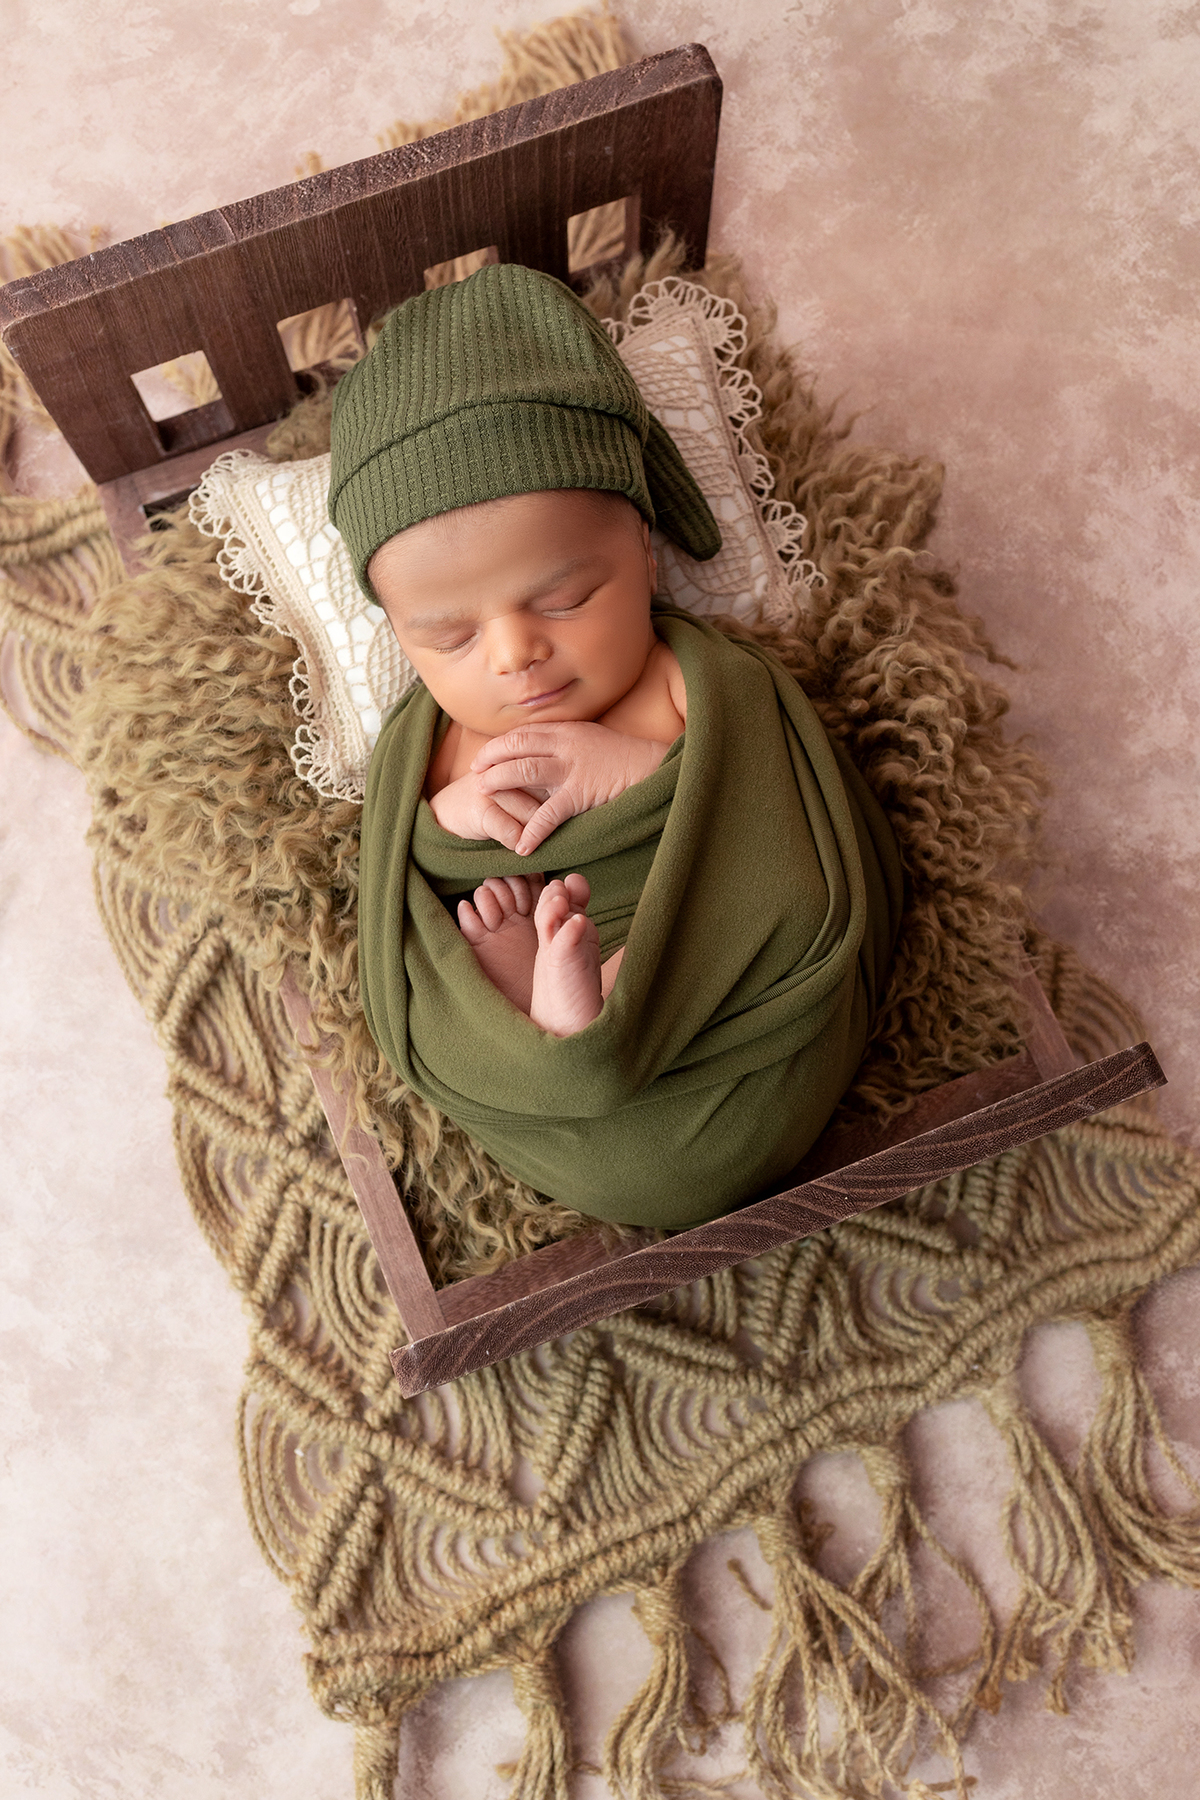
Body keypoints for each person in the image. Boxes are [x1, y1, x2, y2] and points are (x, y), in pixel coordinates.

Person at [329, 263, 904, 1229]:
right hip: (567, 1089)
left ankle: (602, 1002)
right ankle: (555, 1025)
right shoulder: (430, 742)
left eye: (563, 597)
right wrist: (451, 820)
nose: (517, 654)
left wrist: (645, 770)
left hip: (726, 1014)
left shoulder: (688, 677)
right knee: (454, 971)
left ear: (643, 549)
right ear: (397, 637)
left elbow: (775, 803)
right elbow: (404, 883)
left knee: (784, 898)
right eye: (450, 636)